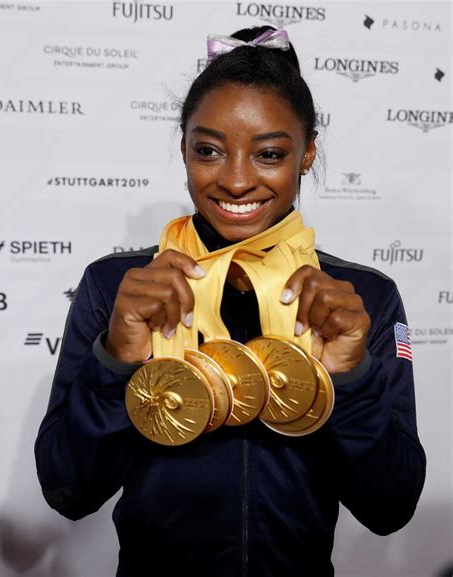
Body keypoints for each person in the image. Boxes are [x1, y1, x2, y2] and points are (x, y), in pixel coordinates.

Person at [35, 25, 426, 576]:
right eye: (210, 150)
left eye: (268, 153)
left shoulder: (362, 300)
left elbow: (391, 506)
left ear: (307, 153)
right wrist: (116, 359)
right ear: (184, 150)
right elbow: (67, 490)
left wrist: (351, 375)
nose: (237, 180)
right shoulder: (119, 286)